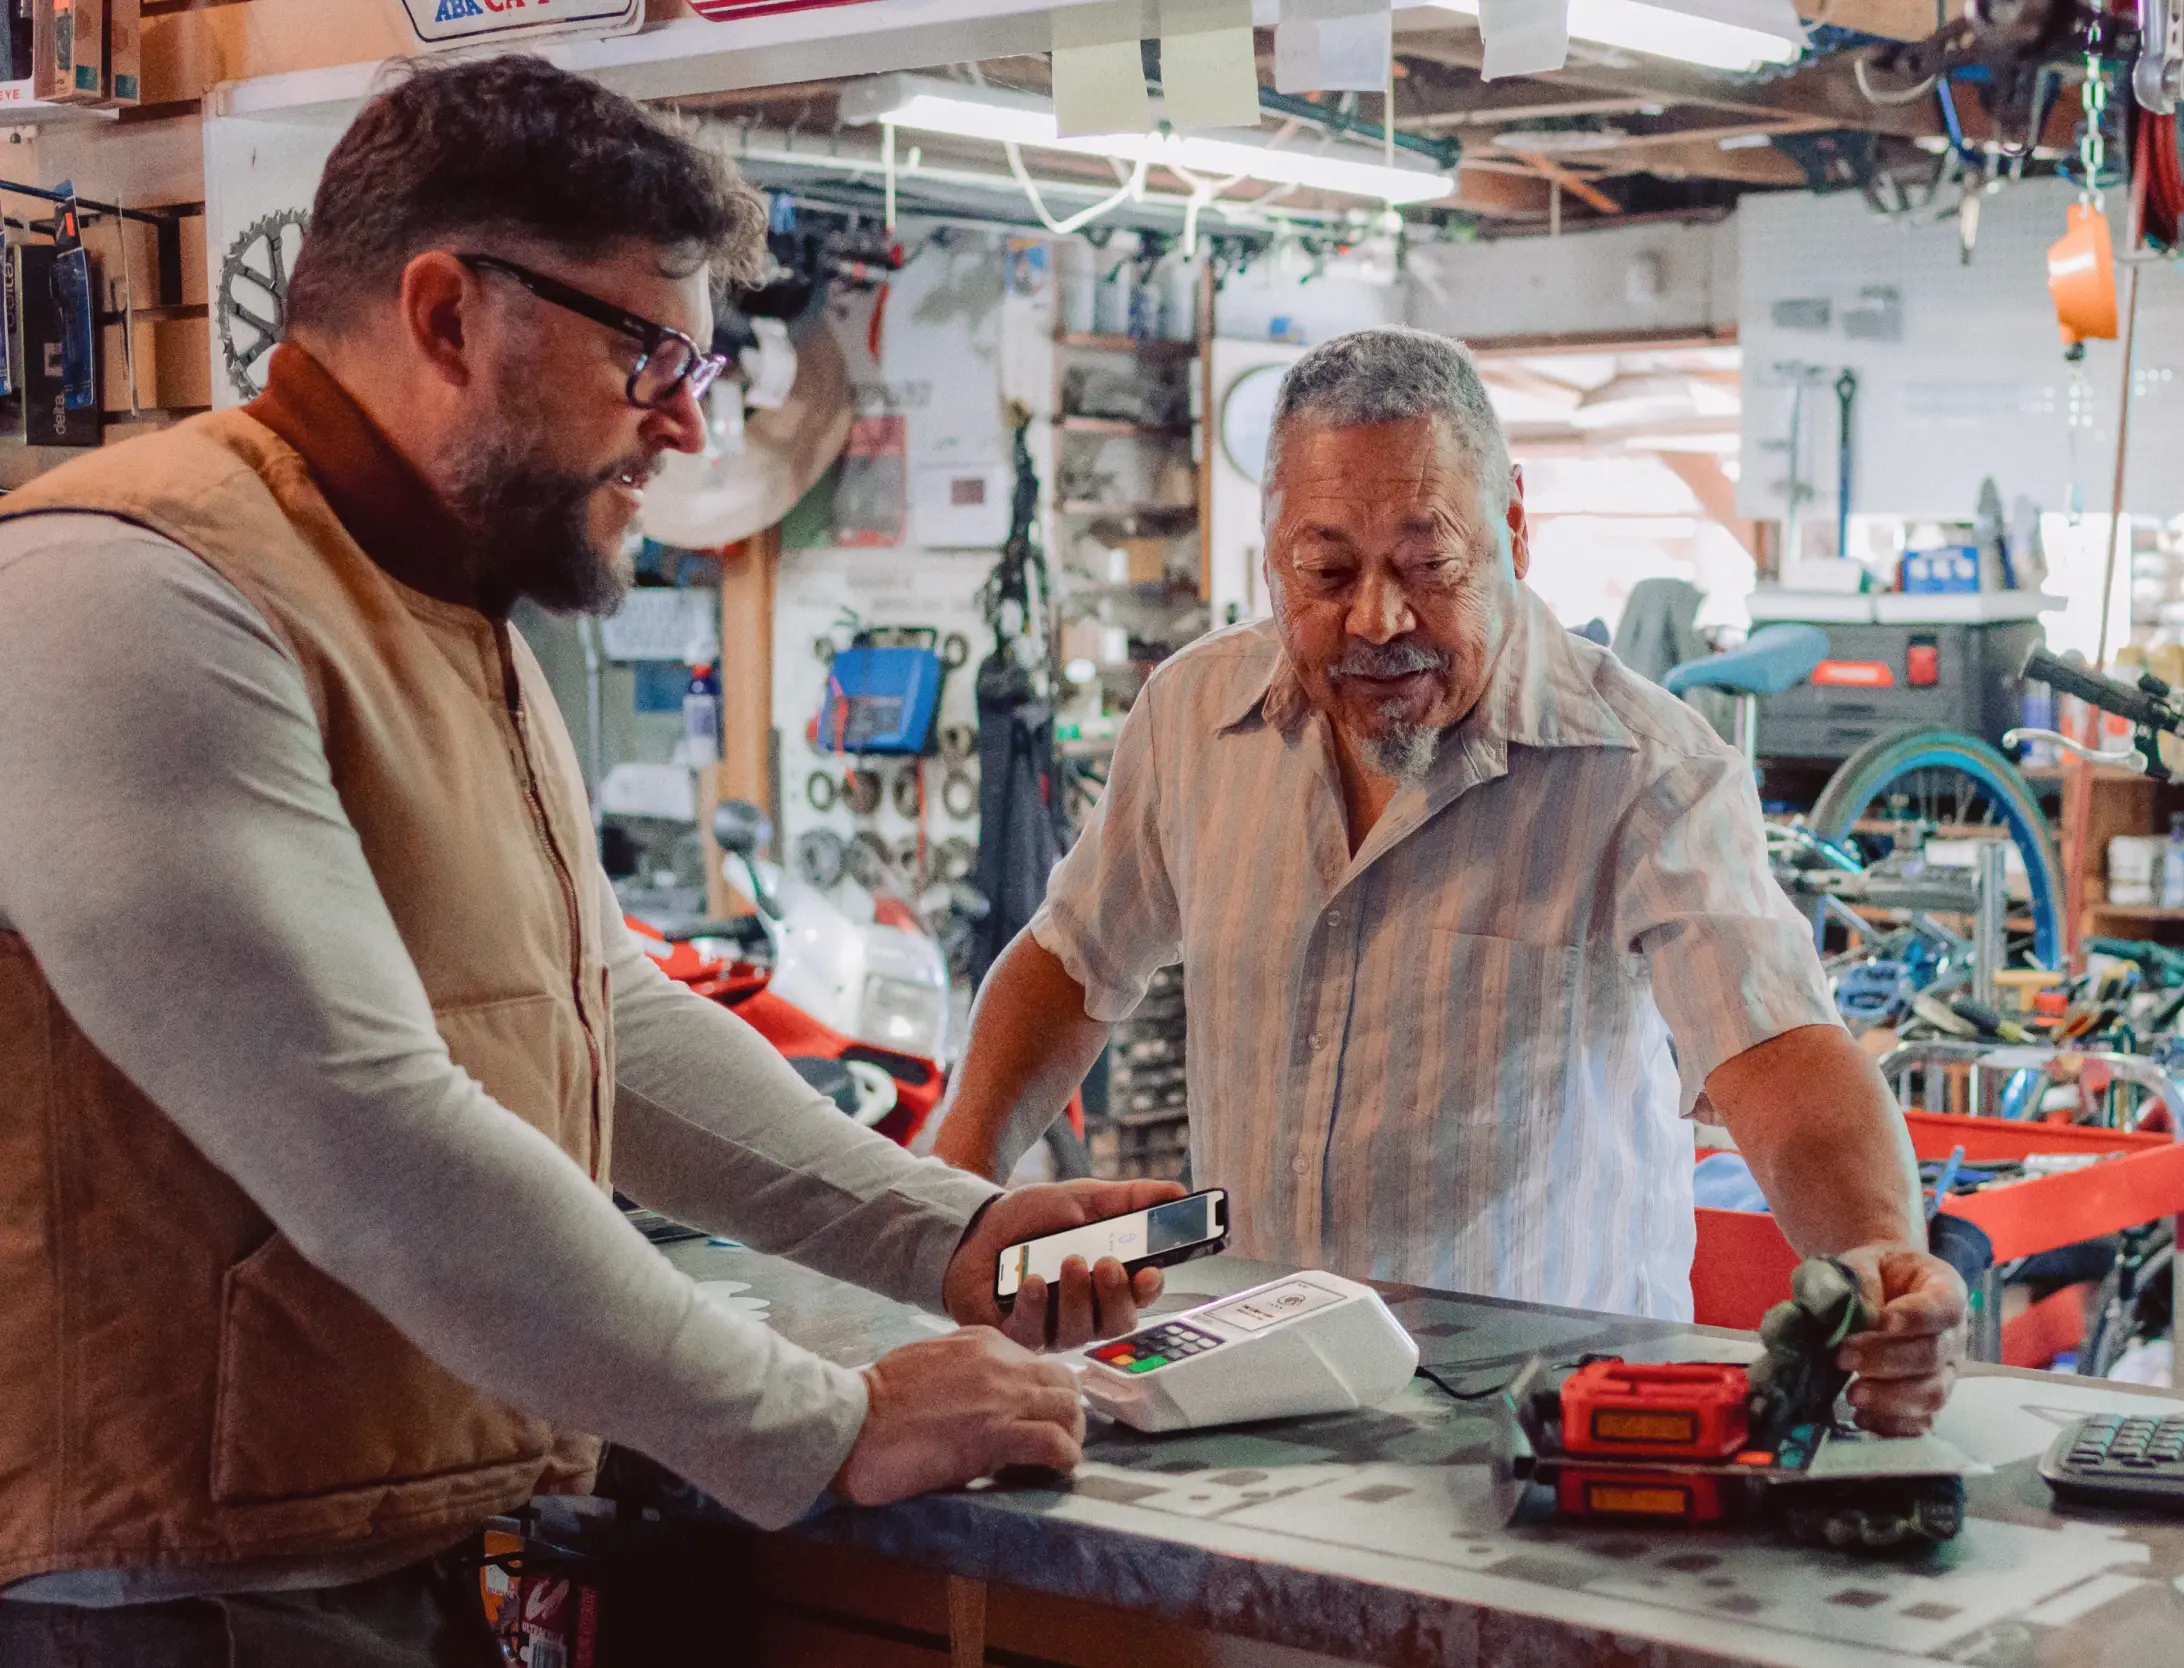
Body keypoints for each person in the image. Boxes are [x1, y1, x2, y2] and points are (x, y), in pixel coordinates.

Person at [0, 57, 1170, 1665]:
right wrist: (821, 1421)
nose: (688, 418)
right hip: (147, 1605)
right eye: (648, 348)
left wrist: (943, 1236)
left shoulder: (435, 611)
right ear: (445, 315)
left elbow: (592, 1018)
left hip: (336, 1545)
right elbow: (361, 1131)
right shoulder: (135, 593)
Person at [935, 327, 1967, 1437]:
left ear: (1514, 526)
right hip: (1247, 1397)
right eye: (1324, 572)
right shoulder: (1192, 718)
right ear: (1271, 552)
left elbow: (1777, 1055)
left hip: (1544, 1433)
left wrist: (1876, 1260)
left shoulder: (1646, 769)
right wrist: (949, 1196)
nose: (1377, 620)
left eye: (1429, 567)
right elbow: (1072, 960)